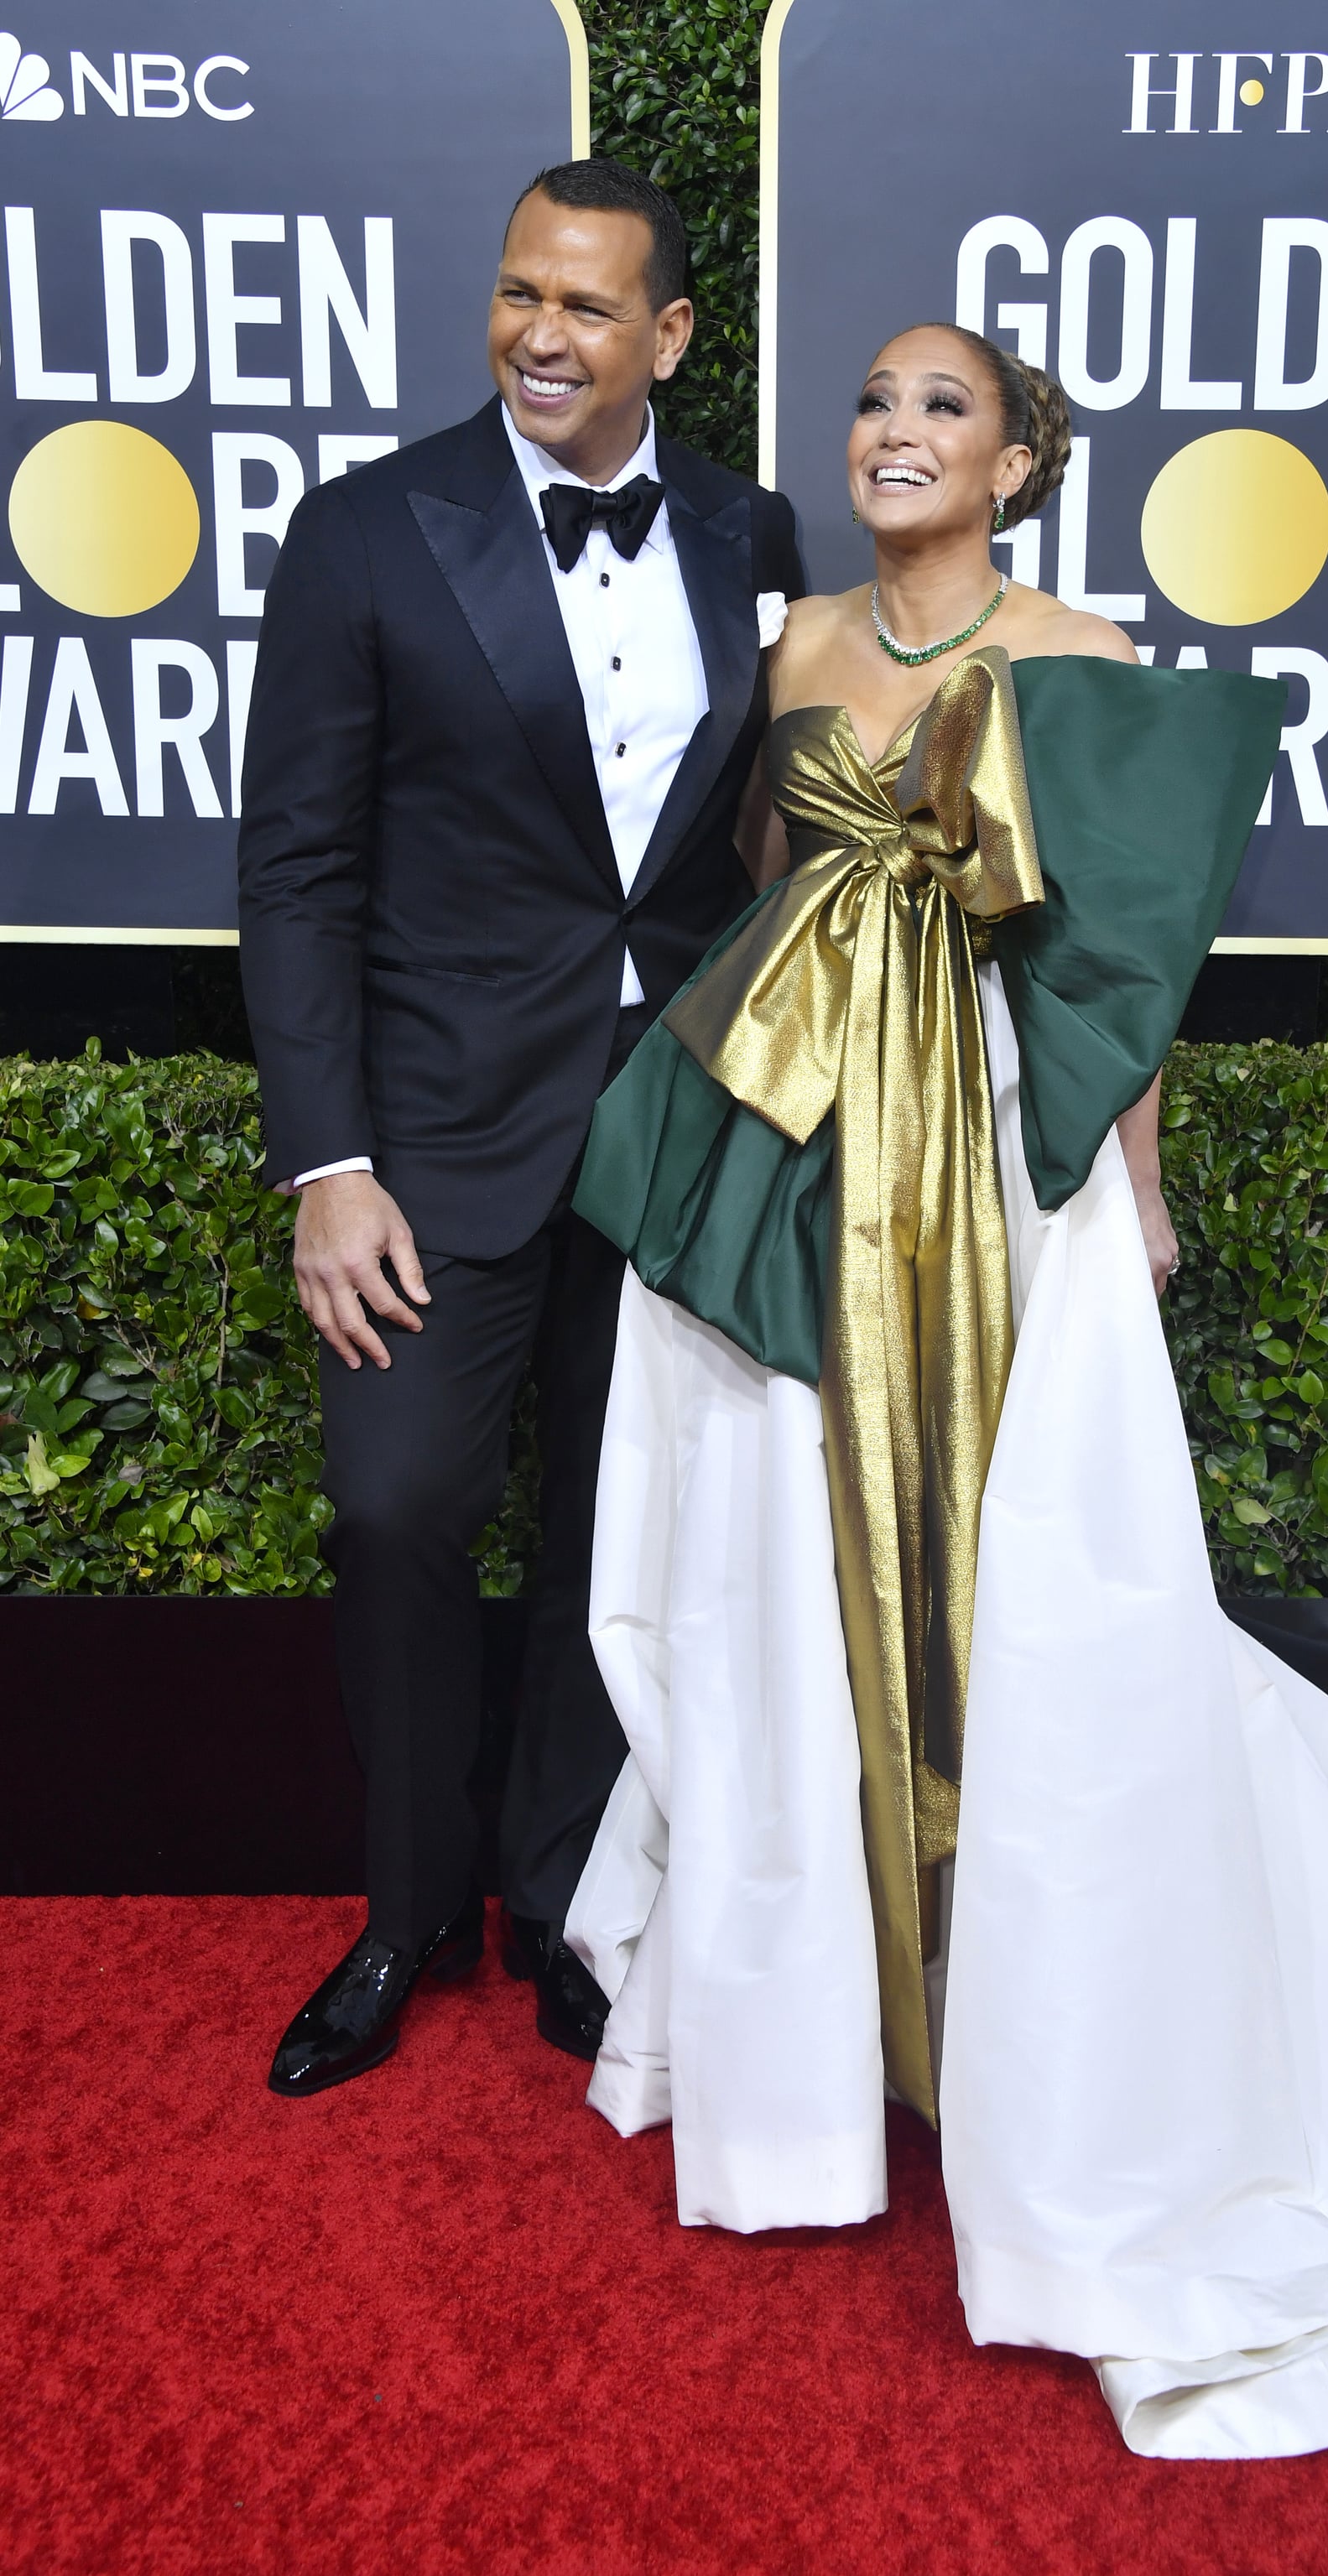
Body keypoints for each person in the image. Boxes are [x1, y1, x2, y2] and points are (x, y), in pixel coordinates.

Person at [560, 325, 1328, 2457]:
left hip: (1002, 1173)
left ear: (1016, 459)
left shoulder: (1087, 649)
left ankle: (1068, 2033)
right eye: (878, 406)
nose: (895, 435)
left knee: (1050, 1595)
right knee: (777, 1576)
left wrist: (1137, 1195)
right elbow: (757, 907)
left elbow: (1123, 965)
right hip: (800, 1159)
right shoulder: (788, 641)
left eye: (943, 412)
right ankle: (821, 2030)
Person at [237, 159, 804, 2097]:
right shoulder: (368, 532)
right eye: (515, 296)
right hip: (434, 1132)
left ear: (668, 335)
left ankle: (564, 1894)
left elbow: (749, 852)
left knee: (610, 1531)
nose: (539, 336)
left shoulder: (750, 531)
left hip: (664, 1127)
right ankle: (404, 1915)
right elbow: (298, 874)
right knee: (397, 1508)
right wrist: (328, 1164)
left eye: (585, 307)